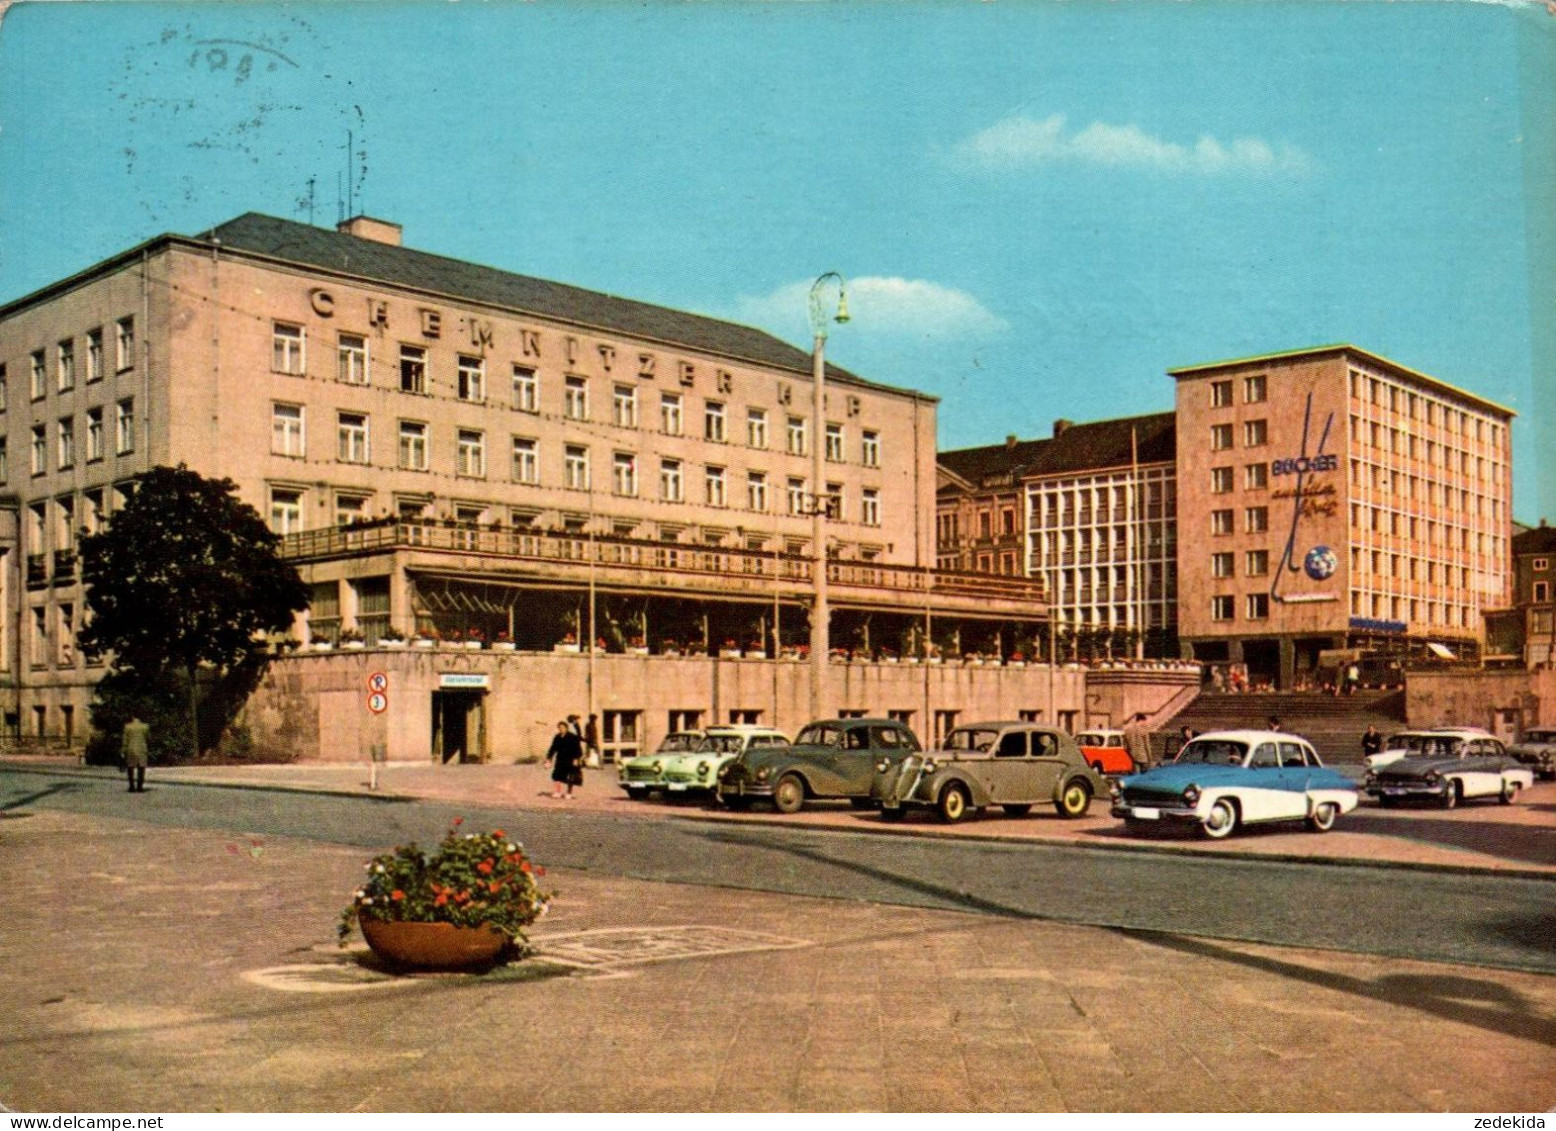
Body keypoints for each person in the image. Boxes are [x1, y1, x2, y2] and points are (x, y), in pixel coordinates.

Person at [545, 721, 584, 799]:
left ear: (566, 728)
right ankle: (558, 792)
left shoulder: (572, 737)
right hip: (560, 759)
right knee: (556, 775)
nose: (561, 729)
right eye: (559, 728)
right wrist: (549, 758)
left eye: (562, 728)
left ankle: (569, 793)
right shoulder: (557, 737)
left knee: (570, 777)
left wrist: (576, 759)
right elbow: (553, 748)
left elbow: (578, 749)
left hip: (570, 759)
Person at [121, 714, 150, 793]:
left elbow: (125, 740)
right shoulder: (145, 727)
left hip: (131, 749)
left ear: (132, 717)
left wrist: (123, 751)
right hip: (142, 749)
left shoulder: (128, 727)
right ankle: (140, 787)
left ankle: (131, 786)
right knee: (141, 769)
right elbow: (148, 738)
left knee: (130, 768)